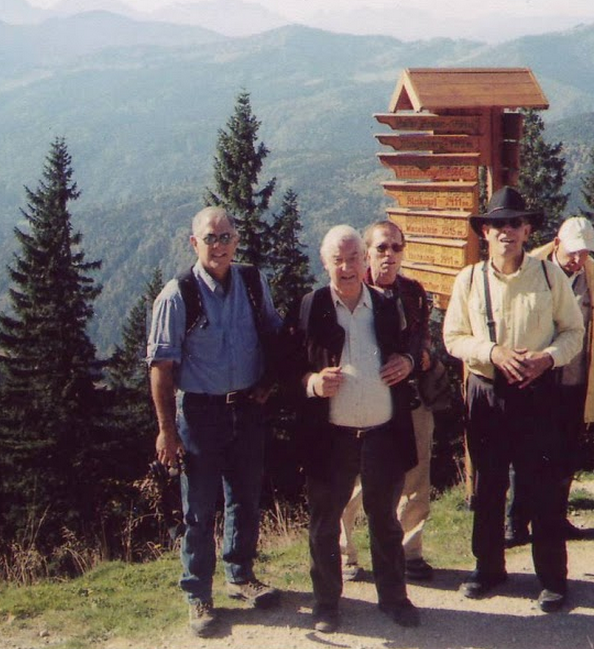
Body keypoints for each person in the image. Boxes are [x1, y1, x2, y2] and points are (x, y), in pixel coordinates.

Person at [443, 186, 585, 612]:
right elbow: (452, 338)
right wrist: (492, 352)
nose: (505, 232)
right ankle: (488, 569)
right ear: (484, 232)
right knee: (487, 484)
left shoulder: (548, 276)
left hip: (537, 393)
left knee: (541, 485)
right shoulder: (468, 279)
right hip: (486, 392)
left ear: (526, 230)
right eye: (497, 225)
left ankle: (552, 578)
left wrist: (548, 358)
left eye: (514, 224)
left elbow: (573, 332)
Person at [147, 207, 283, 637]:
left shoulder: (252, 282)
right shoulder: (177, 295)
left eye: (226, 237)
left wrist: (270, 382)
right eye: (210, 238)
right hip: (200, 413)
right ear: (194, 243)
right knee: (199, 509)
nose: (219, 245)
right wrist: (167, 431)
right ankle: (198, 595)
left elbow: (275, 334)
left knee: (245, 496)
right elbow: (161, 368)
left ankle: (240, 576)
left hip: (246, 407)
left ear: (237, 239)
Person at [288, 225, 421, 634]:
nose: (346, 268)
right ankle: (327, 605)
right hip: (333, 437)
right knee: (325, 524)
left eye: (352, 259)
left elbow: (413, 341)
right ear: (324, 262)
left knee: (385, 520)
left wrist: (410, 363)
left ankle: (394, 599)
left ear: (365, 260)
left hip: (382, 432)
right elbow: (285, 366)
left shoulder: (385, 304)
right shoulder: (311, 306)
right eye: (337, 260)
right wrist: (311, 383)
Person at [505, 217, 594, 544]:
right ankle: (516, 521)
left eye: (585, 253)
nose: (578, 260)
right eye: (573, 252)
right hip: (534, 380)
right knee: (525, 452)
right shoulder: (532, 268)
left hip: (575, 380)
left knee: (566, 454)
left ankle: (555, 517)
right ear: (556, 244)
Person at [340, 221, 438, 583]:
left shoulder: (412, 292)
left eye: (396, 248)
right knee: (355, 480)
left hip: (409, 397)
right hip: (363, 402)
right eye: (381, 248)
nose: (389, 255)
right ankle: (347, 555)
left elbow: (423, 338)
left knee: (416, 478)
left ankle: (410, 552)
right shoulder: (352, 292)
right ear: (367, 252)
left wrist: (413, 360)